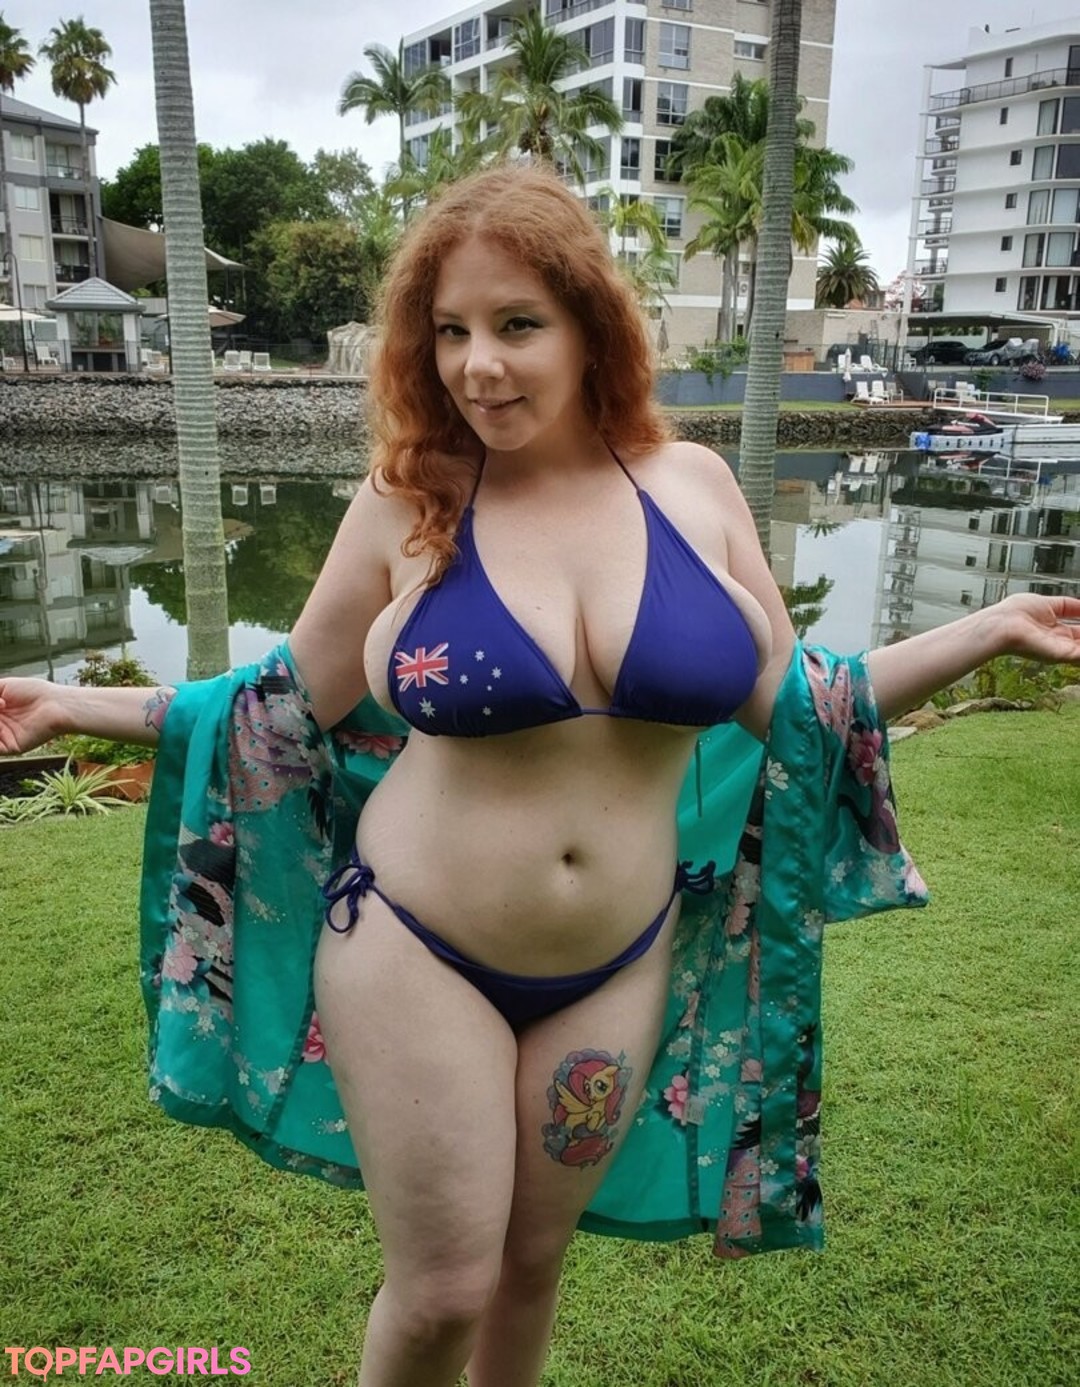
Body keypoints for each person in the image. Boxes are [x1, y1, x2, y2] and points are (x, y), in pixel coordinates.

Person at [1, 164, 1078, 1387]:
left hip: (615, 963)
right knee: (443, 1291)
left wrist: (989, 627)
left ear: (589, 326)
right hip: (415, 946)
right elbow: (278, 704)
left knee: (530, 1267)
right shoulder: (410, 498)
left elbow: (800, 704)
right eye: (449, 331)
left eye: (516, 324)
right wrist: (68, 704)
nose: (479, 366)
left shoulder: (693, 488)